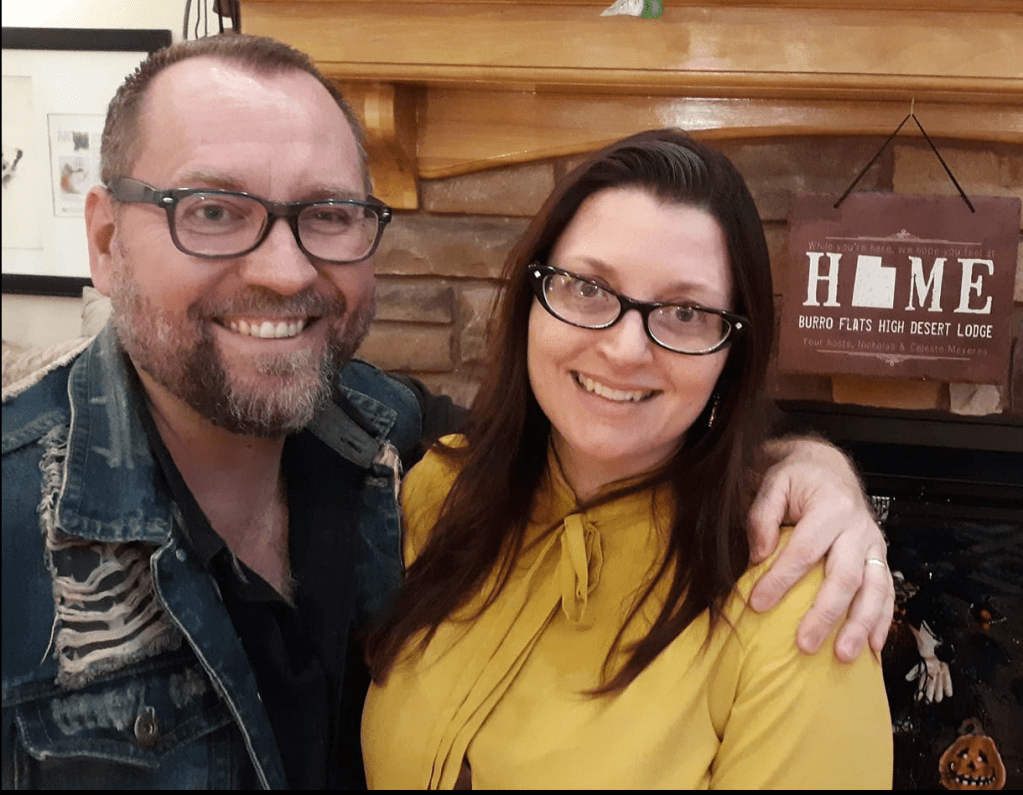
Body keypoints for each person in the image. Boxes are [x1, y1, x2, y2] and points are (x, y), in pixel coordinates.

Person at [2, 34, 888, 790]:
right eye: (212, 210)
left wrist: (813, 468)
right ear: (106, 240)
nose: (283, 268)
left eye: (328, 213)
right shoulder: (436, 490)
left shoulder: (390, 452)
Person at [361, 130, 893, 789]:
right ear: (532, 300)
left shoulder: (798, 606)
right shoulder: (439, 491)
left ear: (731, 355)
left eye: (685, 312)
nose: (624, 349)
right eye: (587, 287)